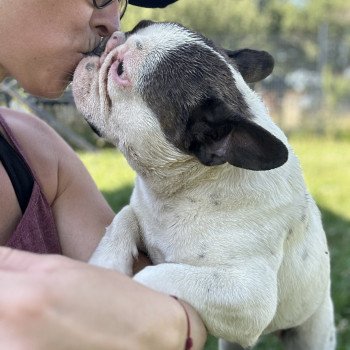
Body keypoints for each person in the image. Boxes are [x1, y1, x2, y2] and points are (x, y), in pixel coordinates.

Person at [0, 0, 207, 349]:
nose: (112, 26)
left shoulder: (38, 156)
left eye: (119, 4)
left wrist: (175, 321)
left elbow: (170, 304)